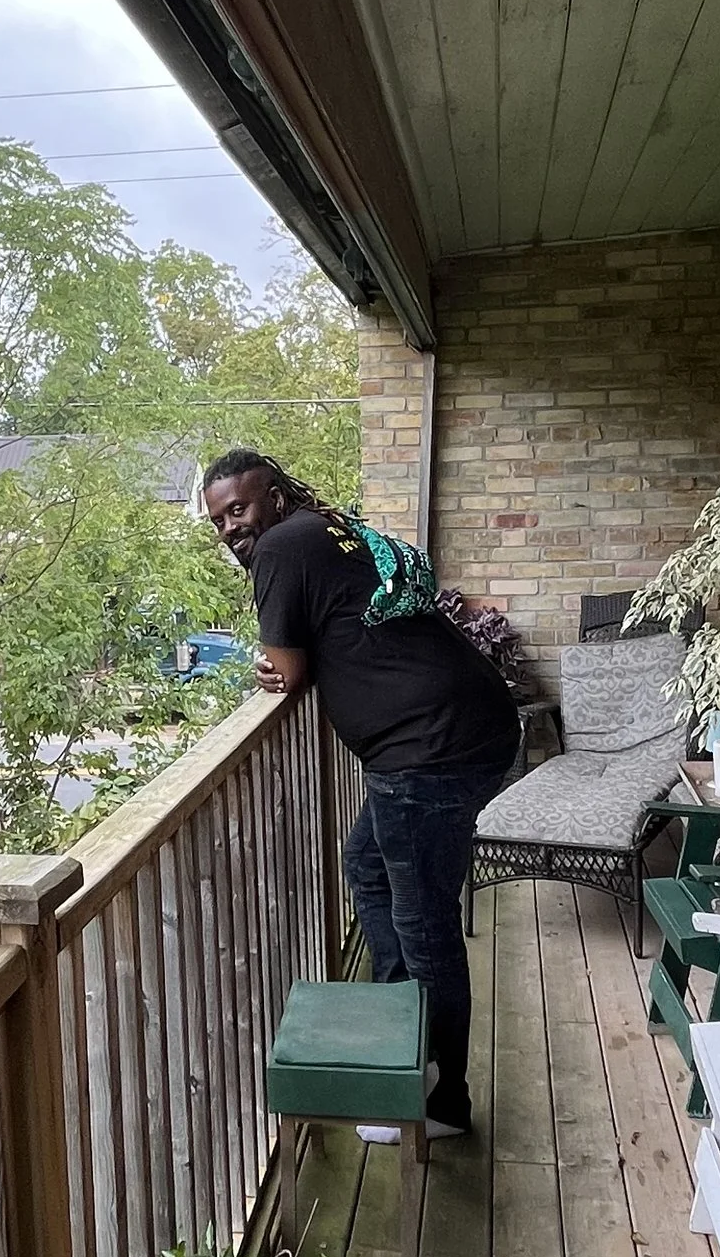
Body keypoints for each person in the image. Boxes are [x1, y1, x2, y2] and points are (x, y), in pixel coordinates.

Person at [201, 450, 518, 1138]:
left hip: (426, 752)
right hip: (467, 724)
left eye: (239, 508)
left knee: (426, 923)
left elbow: (285, 667)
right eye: (219, 519)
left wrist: (278, 664)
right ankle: (401, 1039)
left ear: (275, 496)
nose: (231, 527)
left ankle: (439, 1101)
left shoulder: (281, 549)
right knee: (369, 869)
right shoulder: (325, 526)